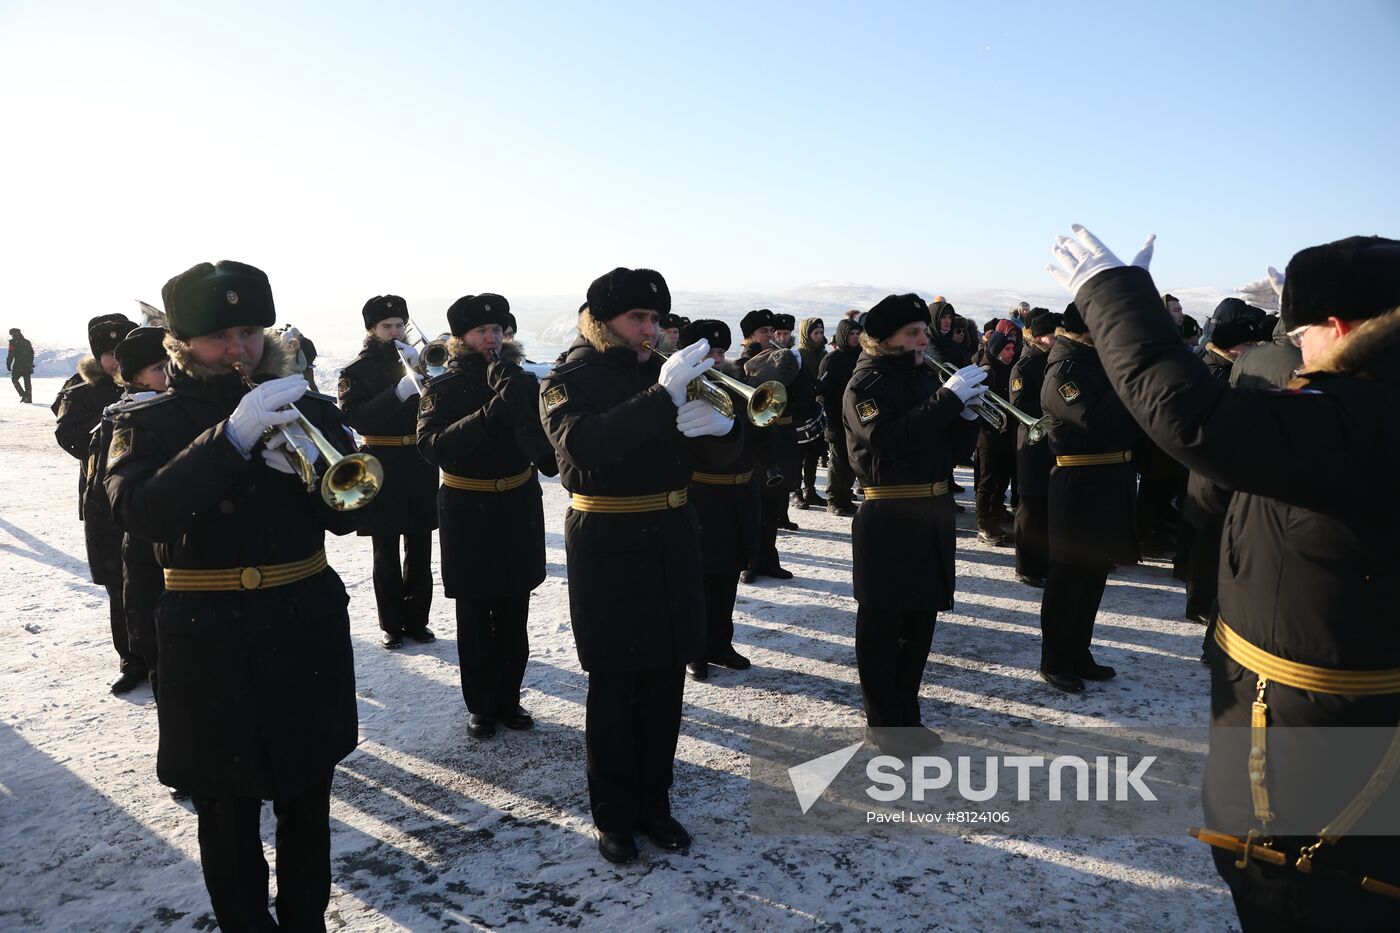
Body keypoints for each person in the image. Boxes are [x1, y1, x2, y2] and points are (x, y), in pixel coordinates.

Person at [1047, 226, 1400, 931]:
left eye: (1300, 333)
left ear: (1338, 327)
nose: (1294, 350)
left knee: (1302, 900)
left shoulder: (1362, 418)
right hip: (1335, 724)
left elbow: (1193, 416)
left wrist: (1113, 292)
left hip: (1312, 751)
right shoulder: (1364, 404)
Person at [104, 260, 360, 931]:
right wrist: (233, 439)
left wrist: (314, 476)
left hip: (304, 625)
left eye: (249, 330)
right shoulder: (146, 420)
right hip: (206, 640)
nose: (239, 347)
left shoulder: (305, 403)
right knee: (225, 812)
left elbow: (351, 508)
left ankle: (306, 921)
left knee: (308, 799)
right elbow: (141, 513)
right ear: (181, 341)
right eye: (221, 335)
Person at [539, 267, 742, 864]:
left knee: (664, 679)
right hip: (608, 537)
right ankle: (614, 814)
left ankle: (656, 803)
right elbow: (584, 447)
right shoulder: (566, 378)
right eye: (637, 318)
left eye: (656, 319)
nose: (650, 330)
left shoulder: (668, 371)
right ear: (602, 321)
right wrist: (662, 396)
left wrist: (724, 430)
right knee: (614, 682)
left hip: (673, 532)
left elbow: (720, 451)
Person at [843, 294, 988, 753]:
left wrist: (965, 416)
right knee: (884, 623)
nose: (924, 339)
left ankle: (908, 711)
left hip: (932, 511)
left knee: (920, 621)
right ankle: (883, 720)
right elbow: (887, 441)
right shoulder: (863, 385)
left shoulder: (925, 376)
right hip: (887, 514)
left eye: (924, 331)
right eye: (913, 333)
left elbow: (951, 450)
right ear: (885, 338)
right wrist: (947, 401)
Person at [417, 293, 555, 739]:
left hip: (516, 503)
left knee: (515, 608)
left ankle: (510, 699)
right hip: (467, 510)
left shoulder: (521, 379)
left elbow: (545, 444)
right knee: (476, 613)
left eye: (497, 330)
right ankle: (480, 704)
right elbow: (433, 448)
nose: (491, 338)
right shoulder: (443, 387)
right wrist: (490, 415)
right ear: (461, 338)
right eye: (481, 331)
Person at [1037, 300, 1138, 693]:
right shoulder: (1064, 370)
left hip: (1108, 479)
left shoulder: (1096, 361)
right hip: (1078, 482)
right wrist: (1125, 379)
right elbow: (1092, 420)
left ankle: (1080, 652)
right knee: (1067, 577)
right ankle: (1055, 659)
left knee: (1094, 574)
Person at [338, 295, 440, 650]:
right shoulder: (355, 371)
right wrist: (397, 392)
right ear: (371, 330)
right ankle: (392, 624)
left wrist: (428, 378)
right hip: (379, 459)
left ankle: (418, 621)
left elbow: (440, 408)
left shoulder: (422, 361)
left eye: (400, 325)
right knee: (385, 547)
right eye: (387, 327)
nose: (395, 332)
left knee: (420, 544)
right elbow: (355, 419)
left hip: (418, 459)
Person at [56, 315, 142, 693]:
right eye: (109, 353)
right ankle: (130, 658)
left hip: (144, 494)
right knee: (117, 583)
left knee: (154, 577)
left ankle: (161, 653)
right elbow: (68, 434)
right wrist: (110, 427)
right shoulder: (81, 391)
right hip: (102, 501)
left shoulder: (153, 379)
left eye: (122, 351)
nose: (116, 361)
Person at [680, 319, 758, 682]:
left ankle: (720, 644)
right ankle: (696, 650)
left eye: (721, 352)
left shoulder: (737, 383)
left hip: (735, 493)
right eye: (709, 352)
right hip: (700, 495)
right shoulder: (683, 388)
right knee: (699, 579)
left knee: (727, 575)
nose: (717, 358)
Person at [738, 309, 798, 581]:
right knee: (754, 507)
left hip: (777, 438)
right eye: (764, 332)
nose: (771, 336)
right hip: (752, 444)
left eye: (772, 332)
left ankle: (768, 559)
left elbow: (804, 397)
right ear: (750, 336)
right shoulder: (742, 364)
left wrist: (794, 367)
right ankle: (749, 562)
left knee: (773, 506)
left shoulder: (783, 359)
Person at [1010, 310, 1060, 587]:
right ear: (1039, 337)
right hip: (1031, 442)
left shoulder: (1055, 361)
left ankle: (1046, 560)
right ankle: (1027, 565)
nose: (1056, 341)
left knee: (1048, 506)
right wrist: (1050, 412)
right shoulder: (1025, 366)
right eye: (1053, 336)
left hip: (1052, 443)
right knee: (1031, 507)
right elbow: (1018, 406)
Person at [974, 330, 1017, 545]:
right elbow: (977, 407)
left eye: (1012, 348)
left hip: (1006, 435)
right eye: (1007, 349)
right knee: (987, 482)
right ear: (996, 350)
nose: (1012, 352)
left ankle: (996, 518)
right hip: (989, 437)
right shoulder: (986, 372)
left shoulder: (1009, 369)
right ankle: (983, 525)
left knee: (1002, 480)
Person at [816, 317, 862, 516]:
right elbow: (822, 392)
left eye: (858, 333)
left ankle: (845, 496)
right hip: (836, 417)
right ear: (843, 336)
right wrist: (829, 423)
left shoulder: (862, 356)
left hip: (856, 419)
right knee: (837, 460)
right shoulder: (832, 359)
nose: (855, 337)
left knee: (853, 460)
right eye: (851, 334)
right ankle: (834, 499)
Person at [793, 317, 828, 510]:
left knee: (814, 452)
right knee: (799, 455)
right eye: (815, 333)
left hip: (817, 409)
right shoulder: (800, 354)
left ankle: (810, 490)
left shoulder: (823, 353)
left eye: (821, 333)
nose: (819, 336)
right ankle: (796, 493)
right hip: (801, 411)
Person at [7, 327, 34, 402]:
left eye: (11, 334)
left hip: (18, 365)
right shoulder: (27, 342)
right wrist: (30, 363)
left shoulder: (13, 342)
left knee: (14, 379)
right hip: (27, 365)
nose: (11, 336)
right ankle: (28, 398)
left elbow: (11, 354)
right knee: (27, 382)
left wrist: (8, 364)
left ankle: (24, 395)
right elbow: (31, 353)